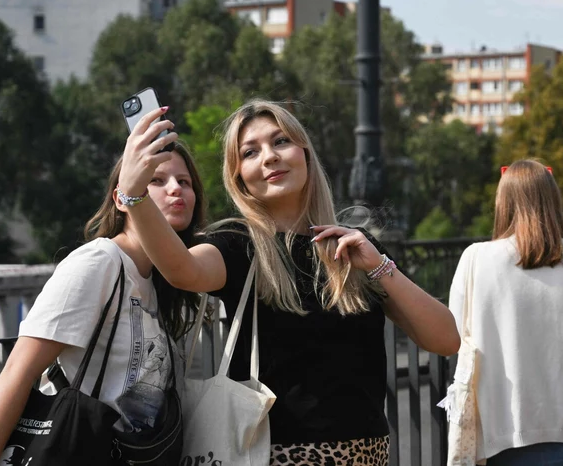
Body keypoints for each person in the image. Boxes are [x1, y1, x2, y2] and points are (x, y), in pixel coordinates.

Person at [116, 99, 460, 465]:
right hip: (275, 455)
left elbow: (445, 338)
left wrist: (379, 265)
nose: (269, 157)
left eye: (280, 142)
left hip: (368, 455)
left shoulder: (350, 246)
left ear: (305, 154)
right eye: (250, 152)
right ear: (239, 177)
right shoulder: (236, 244)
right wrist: (134, 194)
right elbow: (181, 269)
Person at [0, 141, 208, 466]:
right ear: (121, 199)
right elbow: (17, 373)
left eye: (185, 182)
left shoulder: (163, 280)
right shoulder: (99, 262)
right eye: (156, 179)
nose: (175, 190)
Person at [448, 160, 563, 466]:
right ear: (553, 201)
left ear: (503, 202)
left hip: (502, 433)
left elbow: (452, 336)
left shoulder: (476, 259)